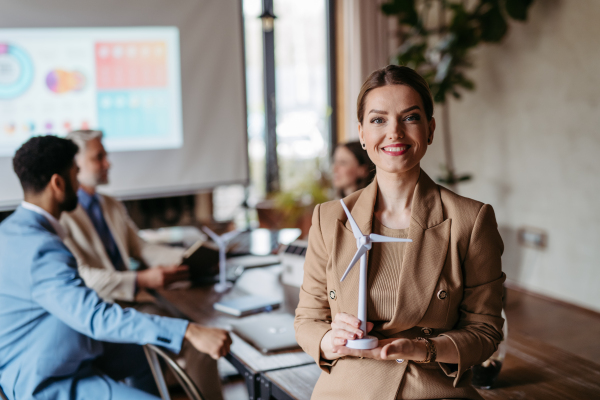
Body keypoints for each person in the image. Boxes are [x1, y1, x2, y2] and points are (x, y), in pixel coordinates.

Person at [294, 65, 505, 400]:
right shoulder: (328, 218)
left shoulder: (471, 219)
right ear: (362, 133)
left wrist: (424, 349)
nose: (394, 132)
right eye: (378, 120)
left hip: (431, 388)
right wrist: (328, 340)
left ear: (430, 128)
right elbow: (307, 318)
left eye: (410, 117)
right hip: (346, 388)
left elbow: (486, 331)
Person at [0, 136, 232, 400]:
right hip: (47, 377)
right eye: (76, 175)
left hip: (62, 348)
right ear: (58, 183)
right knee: (170, 342)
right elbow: (94, 317)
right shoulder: (41, 248)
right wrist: (188, 329)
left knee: (149, 352)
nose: (79, 185)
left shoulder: (11, 231)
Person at [60, 129, 188, 303]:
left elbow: (141, 248)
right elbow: (82, 276)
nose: (108, 164)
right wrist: (142, 279)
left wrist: (187, 258)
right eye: (99, 157)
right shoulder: (62, 215)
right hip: (98, 307)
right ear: (75, 163)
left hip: (131, 301)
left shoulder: (111, 204)